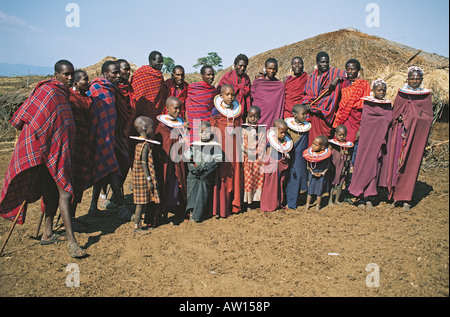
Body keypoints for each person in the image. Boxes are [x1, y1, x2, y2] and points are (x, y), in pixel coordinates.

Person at [0, 60, 86, 258]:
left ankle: (47, 233)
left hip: (59, 151)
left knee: (52, 193)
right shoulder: (48, 92)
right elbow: (35, 122)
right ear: (56, 75)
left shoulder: (64, 94)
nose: (70, 77)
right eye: (66, 74)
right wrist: (41, 148)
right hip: (45, 150)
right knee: (65, 193)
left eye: (72, 73)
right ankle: (73, 243)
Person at [379, 67, 433, 211]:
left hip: (415, 136)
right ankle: (394, 196)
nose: (414, 81)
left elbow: (427, 118)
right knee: (396, 163)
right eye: (412, 78)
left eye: (417, 78)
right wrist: (402, 118)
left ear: (421, 80)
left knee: (410, 164)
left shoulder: (425, 96)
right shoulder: (402, 94)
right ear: (407, 79)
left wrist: (412, 118)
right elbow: (395, 114)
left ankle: (406, 199)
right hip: (400, 134)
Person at [86, 61, 130, 220]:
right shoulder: (97, 89)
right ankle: (121, 207)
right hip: (99, 139)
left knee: (105, 172)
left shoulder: (113, 90)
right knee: (112, 170)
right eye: (114, 73)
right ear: (105, 74)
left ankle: (93, 207)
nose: (119, 76)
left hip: (112, 138)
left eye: (119, 72)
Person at [348, 79, 392, 209]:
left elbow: (388, 120)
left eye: (383, 90)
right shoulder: (368, 104)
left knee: (375, 168)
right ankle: (361, 196)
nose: (382, 92)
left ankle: (370, 197)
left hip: (379, 142)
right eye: (379, 89)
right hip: (367, 141)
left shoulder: (388, 105)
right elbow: (366, 121)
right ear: (373, 90)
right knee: (363, 165)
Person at [210, 84, 243, 218]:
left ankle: (232, 205)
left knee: (233, 173)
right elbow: (212, 129)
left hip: (234, 147)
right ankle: (219, 207)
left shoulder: (237, 111)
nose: (230, 97)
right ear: (221, 96)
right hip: (221, 146)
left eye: (232, 94)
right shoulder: (215, 112)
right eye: (227, 94)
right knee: (221, 174)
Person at [154, 97, 189, 221]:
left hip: (178, 160)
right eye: (175, 108)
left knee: (177, 182)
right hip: (166, 161)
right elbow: (164, 142)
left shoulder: (181, 123)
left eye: (180, 108)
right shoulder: (162, 125)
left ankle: (177, 207)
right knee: (166, 182)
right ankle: (163, 209)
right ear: (167, 108)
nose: (178, 111)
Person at [302, 51, 346, 146]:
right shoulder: (311, 78)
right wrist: (306, 103)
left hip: (325, 115)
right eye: (322, 62)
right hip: (314, 115)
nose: (325, 64)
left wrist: (337, 78)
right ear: (317, 63)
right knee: (314, 142)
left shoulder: (333, 73)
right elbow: (306, 94)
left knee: (324, 142)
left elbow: (347, 75)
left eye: (327, 62)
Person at [68, 69, 92, 231]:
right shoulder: (70, 99)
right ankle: (68, 219)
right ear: (75, 83)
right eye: (85, 80)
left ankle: (73, 217)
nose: (88, 82)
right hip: (70, 147)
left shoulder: (86, 99)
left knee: (78, 183)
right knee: (68, 184)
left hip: (83, 145)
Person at [184, 121, 222, 222]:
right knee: (192, 183)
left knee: (202, 187)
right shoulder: (194, 145)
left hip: (206, 174)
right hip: (195, 172)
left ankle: (198, 214)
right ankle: (191, 211)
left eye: (207, 132)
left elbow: (217, 160)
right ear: (197, 133)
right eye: (202, 132)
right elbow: (188, 158)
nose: (204, 134)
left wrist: (206, 169)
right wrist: (192, 168)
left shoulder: (214, 145)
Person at [131, 116, 161, 233]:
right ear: (144, 128)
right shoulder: (145, 145)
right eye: (151, 127)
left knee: (140, 203)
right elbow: (144, 163)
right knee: (140, 204)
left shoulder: (138, 144)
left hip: (138, 177)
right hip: (143, 178)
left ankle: (137, 225)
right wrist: (149, 179)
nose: (153, 129)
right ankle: (136, 227)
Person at [260, 119, 292, 212]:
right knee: (270, 187)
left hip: (281, 166)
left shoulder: (285, 142)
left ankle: (278, 202)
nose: (283, 135)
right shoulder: (271, 142)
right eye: (281, 132)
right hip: (273, 167)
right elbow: (268, 155)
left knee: (279, 185)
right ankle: (269, 205)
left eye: (285, 132)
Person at [285, 104, 310, 210]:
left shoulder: (306, 127)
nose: (305, 116)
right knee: (290, 178)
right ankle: (289, 201)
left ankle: (293, 202)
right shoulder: (288, 127)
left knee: (298, 177)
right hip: (291, 155)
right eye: (303, 114)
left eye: (306, 114)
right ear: (295, 115)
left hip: (300, 158)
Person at [131, 51, 167, 125]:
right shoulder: (140, 74)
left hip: (154, 112)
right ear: (151, 61)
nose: (161, 64)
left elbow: (160, 97)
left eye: (162, 62)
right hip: (140, 111)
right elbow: (135, 94)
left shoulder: (160, 77)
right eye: (159, 62)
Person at [241, 105, 266, 208]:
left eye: (255, 117)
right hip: (246, 158)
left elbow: (262, 144)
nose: (252, 119)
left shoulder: (261, 129)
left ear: (259, 117)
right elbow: (241, 143)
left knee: (257, 178)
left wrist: (255, 153)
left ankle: (256, 201)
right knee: (247, 179)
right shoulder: (244, 128)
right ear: (247, 116)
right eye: (251, 116)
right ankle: (247, 202)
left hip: (257, 159)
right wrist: (246, 151)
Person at [185, 65, 218, 141]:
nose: (211, 76)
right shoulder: (193, 88)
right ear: (202, 76)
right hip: (195, 121)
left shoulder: (213, 90)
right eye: (208, 74)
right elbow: (188, 103)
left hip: (207, 121)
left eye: (213, 74)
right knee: (196, 143)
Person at [251, 58, 285, 127]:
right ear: (265, 68)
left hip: (273, 117)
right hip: (260, 117)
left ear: (277, 70)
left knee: (272, 135)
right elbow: (252, 99)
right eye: (269, 68)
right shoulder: (257, 83)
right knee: (260, 135)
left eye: (274, 69)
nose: (272, 71)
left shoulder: (280, 86)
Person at [217, 54, 252, 120]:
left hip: (242, 111)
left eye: (245, 66)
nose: (242, 68)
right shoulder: (228, 76)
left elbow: (248, 96)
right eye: (240, 66)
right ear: (235, 65)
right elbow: (220, 93)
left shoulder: (246, 78)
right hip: (228, 110)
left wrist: (248, 111)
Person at [303, 135, 331, 211]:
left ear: (322, 147)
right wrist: (312, 172)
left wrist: (323, 172)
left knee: (319, 191)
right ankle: (307, 204)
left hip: (321, 176)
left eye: (316, 145)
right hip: (312, 175)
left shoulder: (326, 156)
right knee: (310, 191)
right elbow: (308, 165)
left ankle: (317, 206)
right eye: (313, 143)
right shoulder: (310, 155)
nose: (313, 146)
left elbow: (328, 165)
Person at [328, 125, 354, 207]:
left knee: (340, 183)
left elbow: (349, 157)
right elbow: (328, 154)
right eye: (340, 135)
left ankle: (337, 200)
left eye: (344, 135)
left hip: (342, 167)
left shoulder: (348, 145)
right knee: (332, 184)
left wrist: (346, 167)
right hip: (334, 167)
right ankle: (330, 200)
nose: (342, 137)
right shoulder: (332, 144)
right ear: (335, 134)